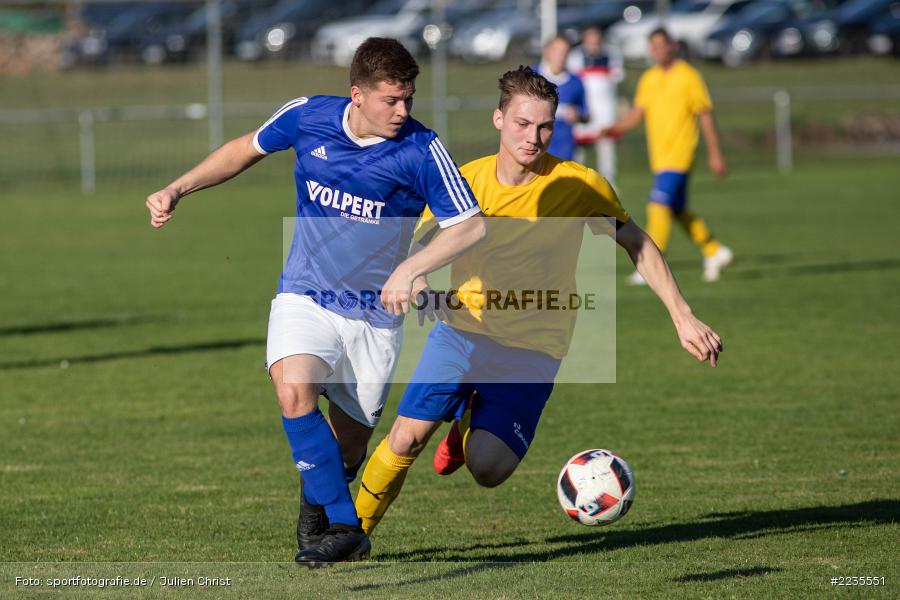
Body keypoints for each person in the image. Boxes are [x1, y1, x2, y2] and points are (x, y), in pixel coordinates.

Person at [144, 38, 485, 566]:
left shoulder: (421, 149)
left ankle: (317, 508)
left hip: (375, 318)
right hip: (306, 293)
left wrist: (412, 267)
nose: (402, 111)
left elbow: (470, 226)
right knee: (294, 391)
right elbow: (245, 148)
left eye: (409, 100)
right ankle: (347, 526)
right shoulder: (308, 115)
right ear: (357, 94)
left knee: (347, 449)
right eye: (391, 100)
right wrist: (176, 189)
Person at [354, 66, 723, 536]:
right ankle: (350, 533)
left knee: (488, 469)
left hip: (534, 350)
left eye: (545, 126)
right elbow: (415, 249)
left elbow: (638, 243)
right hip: (462, 332)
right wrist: (419, 284)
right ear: (498, 120)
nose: (534, 137)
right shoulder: (465, 181)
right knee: (406, 437)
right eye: (522, 124)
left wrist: (683, 316)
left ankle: (468, 425)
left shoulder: (579, 185)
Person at [602, 27, 733, 284]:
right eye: (653, 45)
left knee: (658, 205)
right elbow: (637, 115)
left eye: (662, 44)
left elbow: (704, 114)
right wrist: (613, 129)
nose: (658, 49)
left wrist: (715, 153)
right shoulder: (648, 78)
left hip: (681, 154)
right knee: (677, 209)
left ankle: (648, 263)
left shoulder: (689, 76)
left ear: (673, 46)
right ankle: (713, 250)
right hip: (659, 158)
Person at [567, 24, 624, 184]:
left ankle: (609, 186)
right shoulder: (575, 57)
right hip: (585, 110)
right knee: (579, 153)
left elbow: (616, 80)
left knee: (606, 150)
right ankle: (577, 185)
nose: (593, 41)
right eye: (590, 37)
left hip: (606, 111)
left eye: (596, 36)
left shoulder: (611, 54)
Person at [534, 35, 587, 161]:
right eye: (556, 51)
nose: (561, 56)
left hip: (564, 149)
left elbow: (586, 114)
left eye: (565, 52)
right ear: (547, 52)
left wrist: (577, 114)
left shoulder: (576, 82)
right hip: (535, 145)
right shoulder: (531, 76)